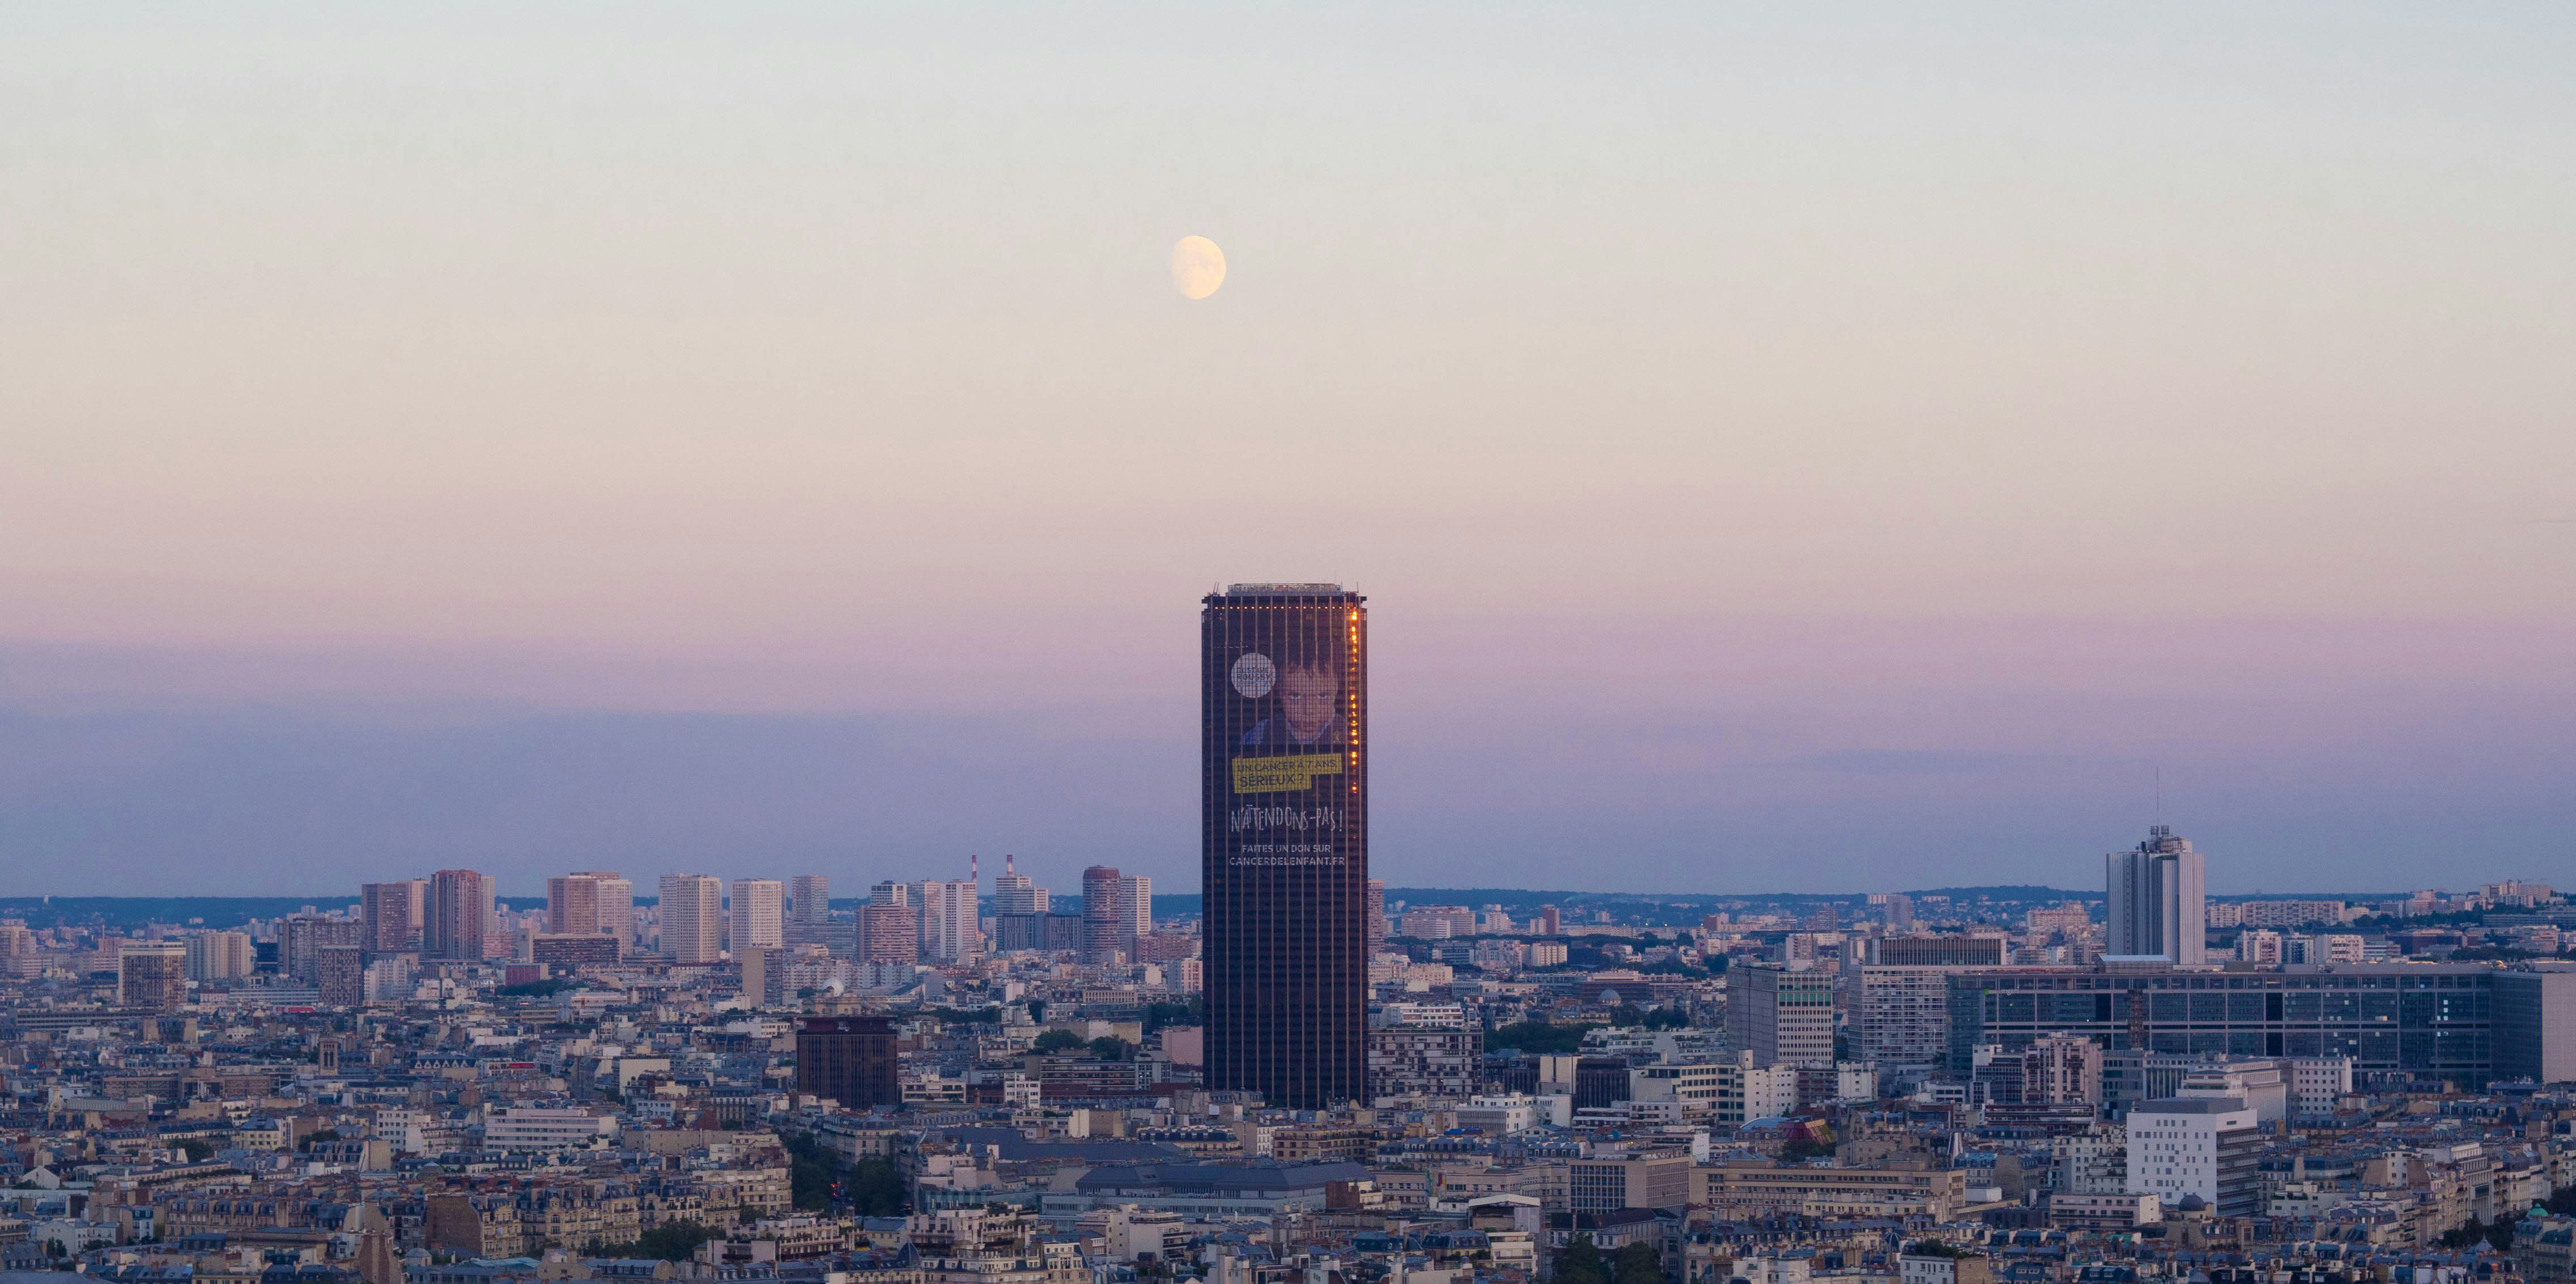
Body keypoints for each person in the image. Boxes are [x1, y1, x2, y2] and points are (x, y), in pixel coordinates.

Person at [1242, 657, 1341, 747]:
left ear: (1336, 691)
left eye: (1322, 696)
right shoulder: (1262, 734)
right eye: (1295, 697)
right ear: (1280, 695)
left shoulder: (1347, 731)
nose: (1309, 710)